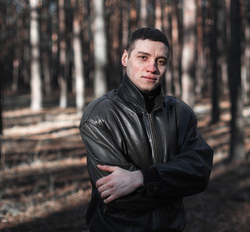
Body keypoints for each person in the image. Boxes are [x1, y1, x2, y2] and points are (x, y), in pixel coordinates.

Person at [79, 27, 213, 232]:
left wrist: (141, 178)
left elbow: (200, 173)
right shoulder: (100, 114)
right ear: (125, 58)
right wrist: (176, 184)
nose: (152, 68)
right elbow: (116, 196)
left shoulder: (180, 112)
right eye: (143, 57)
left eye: (161, 61)